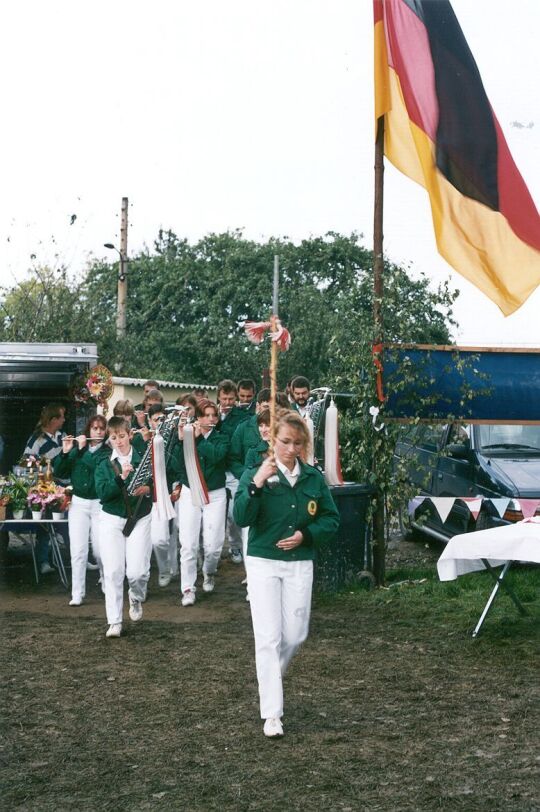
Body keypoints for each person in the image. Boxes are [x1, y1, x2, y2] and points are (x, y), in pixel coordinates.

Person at [234, 410, 339, 738]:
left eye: (297, 443)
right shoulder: (256, 472)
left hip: (299, 562)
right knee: (268, 637)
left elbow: (330, 519)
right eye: (284, 442)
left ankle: (270, 677)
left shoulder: (313, 478)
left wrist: (306, 536)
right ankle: (272, 714)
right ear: (272, 439)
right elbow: (241, 517)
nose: (291, 449)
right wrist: (257, 484)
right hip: (263, 561)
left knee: (295, 634)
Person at [95, 416, 153, 638]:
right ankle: (115, 621)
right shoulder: (104, 463)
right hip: (111, 518)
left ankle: (136, 596)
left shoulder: (144, 459)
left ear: (130, 434)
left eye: (121, 436)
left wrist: (147, 489)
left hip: (139, 517)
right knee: (113, 571)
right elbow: (103, 494)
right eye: (113, 437)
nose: (118, 441)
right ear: (109, 440)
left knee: (137, 572)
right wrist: (121, 478)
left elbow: (157, 486)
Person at [168, 399, 229, 606]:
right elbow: (176, 463)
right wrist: (180, 440)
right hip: (189, 491)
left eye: (214, 415)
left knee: (213, 545)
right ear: (198, 418)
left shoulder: (222, 438)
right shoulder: (187, 436)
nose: (211, 419)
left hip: (215, 494)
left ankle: (209, 571)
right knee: (188, 543)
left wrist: (200, 439)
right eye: (206, 415)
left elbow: (217, 457)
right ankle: (188, 588)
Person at [54, 415, 109, 606]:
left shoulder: (106, 453)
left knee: (101, 551)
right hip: (78, 504)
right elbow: (59, 473)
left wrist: (83, 449)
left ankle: (105, 579)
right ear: (89, 430)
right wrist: (65, 452)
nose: (98, 432)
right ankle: (77, 593)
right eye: (95, 428)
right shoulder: (77, 450)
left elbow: (95, 465)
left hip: (100, 505)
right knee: (78, 550)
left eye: (102, 429)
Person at [23, 402, 67, 574]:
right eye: (62, 416)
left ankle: (72, 560)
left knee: (65, 523)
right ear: (53, 419)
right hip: (48, 489)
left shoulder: (63, 436)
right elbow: (27, 463)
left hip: (64, 486)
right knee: (46, 525)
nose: (64, 420)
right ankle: (43, 561)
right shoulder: (37, 439)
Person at [217, 379, 252, 564]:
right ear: (219, 397)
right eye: (224, 398)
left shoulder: (241, 416)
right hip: (215, 472)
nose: (228, 402)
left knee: (234, 513)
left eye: (231, 399)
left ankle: (235, 545)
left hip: (232, 471)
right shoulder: (211, 413)